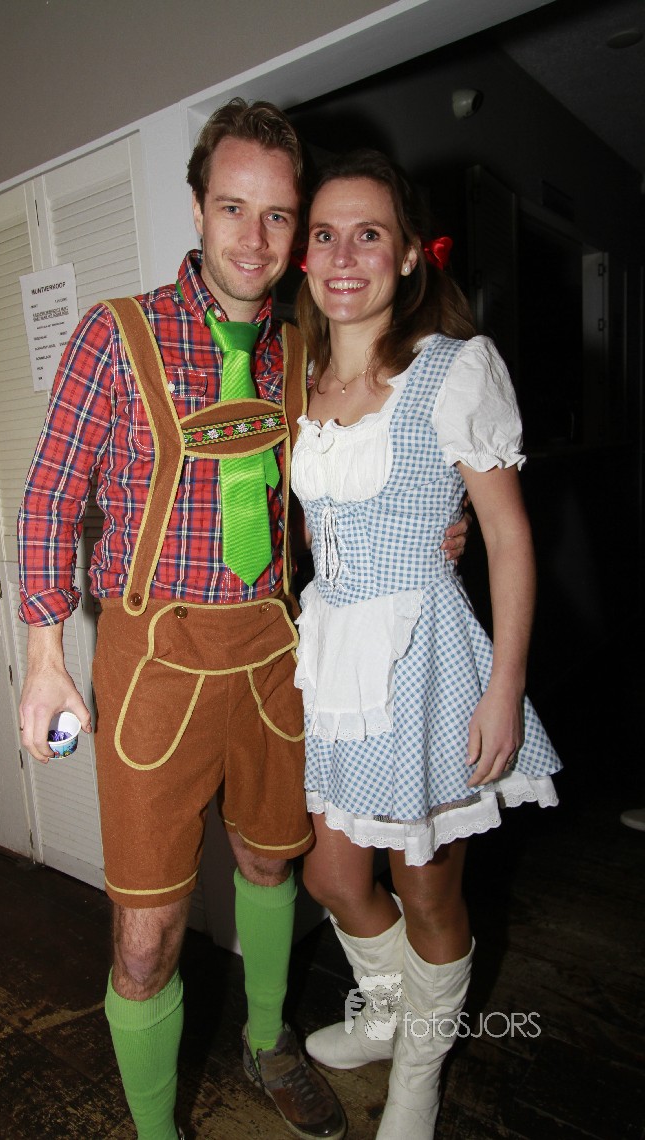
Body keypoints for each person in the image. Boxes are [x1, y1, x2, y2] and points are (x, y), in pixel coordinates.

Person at [17, 102, 466, 1139]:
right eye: (233, 209)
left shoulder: (302, 347)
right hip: (152, 665)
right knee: (145, 940)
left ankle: (269, 1040)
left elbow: (340, 482)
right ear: (197, 208)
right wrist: (44, 656)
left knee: (272, 864)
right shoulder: (113, 335)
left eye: (277, 216)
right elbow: (47, 501)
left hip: (273, 652)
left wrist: (426, 530)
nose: (255, 239)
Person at [289, 150, 562, 1140]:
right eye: (325, 235)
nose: (343, 256)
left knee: (425, 886)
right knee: (330, 874)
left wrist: (504, 688)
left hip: (425, 665)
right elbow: (321, 522)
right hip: (335, 660)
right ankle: (389, 1008)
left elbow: (509, 536)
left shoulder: (453, 368)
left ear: (408, 254)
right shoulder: (297, 375)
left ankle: (418, 1072)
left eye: (369, 234)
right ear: (303, 256)